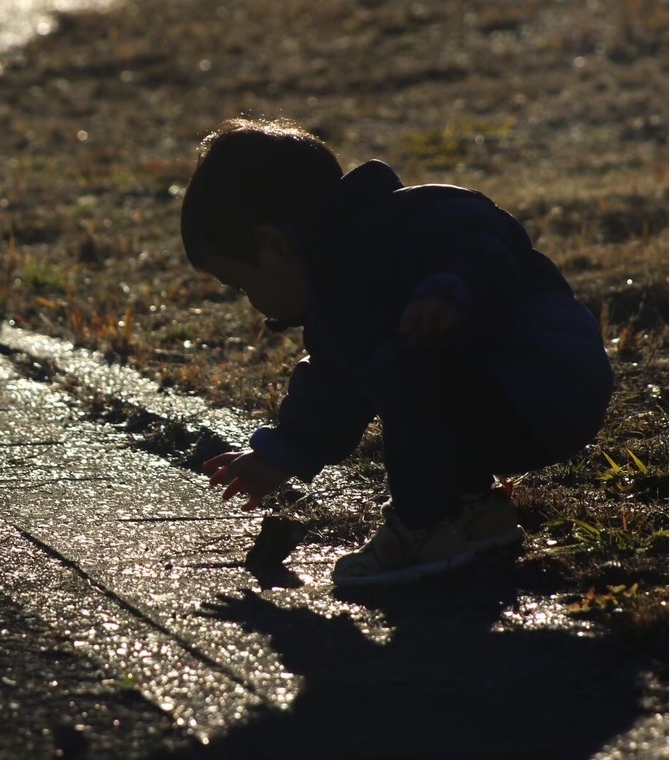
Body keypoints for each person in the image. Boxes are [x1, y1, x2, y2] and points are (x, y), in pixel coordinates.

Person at [180, 118, 613, 587]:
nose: (252, 302)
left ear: (274, 244)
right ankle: (475, 514)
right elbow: (333, 384)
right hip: (504, 393)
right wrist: (282, 452)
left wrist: (448, 294)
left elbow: (476, 242)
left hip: (541, 377)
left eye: (243, 283)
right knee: (396, 364)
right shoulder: (340, 300)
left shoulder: (407, 220)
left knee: (407, 364)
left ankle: (428, 525)